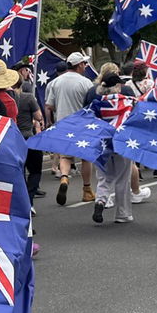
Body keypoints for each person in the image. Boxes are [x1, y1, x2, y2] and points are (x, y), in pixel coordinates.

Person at [45, 52, 96, 205]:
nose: (85, 66)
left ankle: (64, 178)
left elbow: (49, 106)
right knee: (86, 158)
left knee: (65, 157)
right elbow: (91, 106)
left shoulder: (55, 83)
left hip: (63, 123)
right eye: (84, 64)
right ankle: (87, 190)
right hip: (82, 124)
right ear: (79, 65)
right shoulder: (86, 83)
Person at [90, 72, 137, 225]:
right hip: (121, 143)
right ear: (117, 86)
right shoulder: (129, 102)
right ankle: (122, 214)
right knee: (122, 178)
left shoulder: (97, 104)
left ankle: (100, 201)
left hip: (102, 143)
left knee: (104, 176)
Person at [14, 64, 47, 199]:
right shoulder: (28, 98)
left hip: (14, 138)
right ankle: (30, 196)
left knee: (19, 170)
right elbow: (38, 116)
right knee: (35, 170)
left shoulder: (6, 99)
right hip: (28, 136)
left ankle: (22, 197)